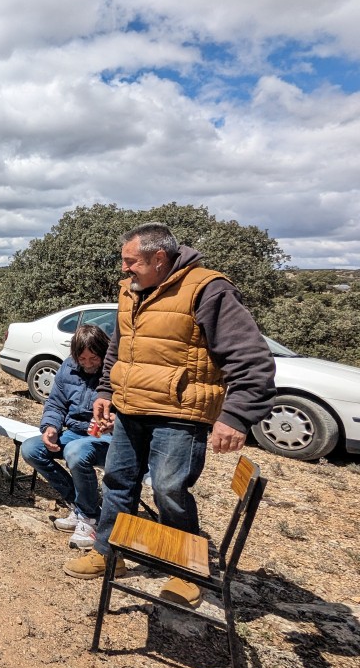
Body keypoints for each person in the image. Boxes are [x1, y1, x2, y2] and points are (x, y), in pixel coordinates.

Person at [64, 223, 276, 608]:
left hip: (179, 414)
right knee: (118, 482)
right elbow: (120, 347)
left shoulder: (208, 289)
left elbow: (251, 358)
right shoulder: (130, 291)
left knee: (168, 490)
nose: (125, 269)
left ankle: (186, 571)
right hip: (131, 409)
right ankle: (109, 552)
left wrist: (237, 415)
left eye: (132, 262)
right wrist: (107, 392)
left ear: (159, 259)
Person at [20, 325, 113, 550]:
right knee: (31, 449)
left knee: (76, 451)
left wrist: (114, 422)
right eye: (83, 358)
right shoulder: (67, 368)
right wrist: (50, 426)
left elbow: (130, 410)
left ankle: (89, 517)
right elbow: (56, 403)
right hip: (74, 432)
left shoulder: (114, 372)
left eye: (94, 358)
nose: (88, 363)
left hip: (108, 438)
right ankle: (81, 505)